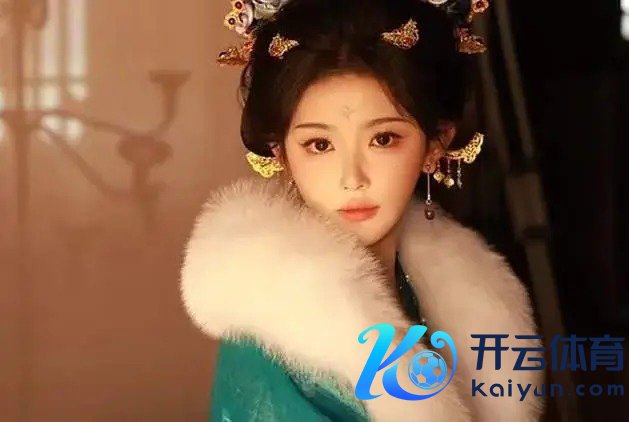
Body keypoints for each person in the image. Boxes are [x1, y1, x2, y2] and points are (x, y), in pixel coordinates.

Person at [180, 0, 544, 420]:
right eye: (320, 145)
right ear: (281, 154)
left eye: (383, 139)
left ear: (435, 143)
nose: (352, 178)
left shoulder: (450, 295)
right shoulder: (270, 345)